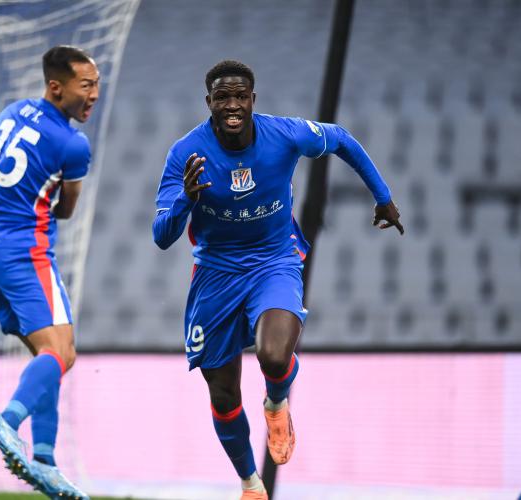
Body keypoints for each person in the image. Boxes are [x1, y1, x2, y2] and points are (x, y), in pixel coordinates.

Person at [152, 60, 404, 500]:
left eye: (240, 96)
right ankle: (251, 485)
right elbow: (161, 236)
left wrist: (383, 197)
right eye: (222, 97)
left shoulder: (285, 134)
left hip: (274, 261)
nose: (232, 105)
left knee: (273, 355)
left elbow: (340, 139)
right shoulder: (185, 153)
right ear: (209, 102)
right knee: (224, 394)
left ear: (253, 99)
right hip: (215, 274)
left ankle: (276, 402)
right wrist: (185, 201)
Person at [0, 45, 99, 500]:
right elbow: (65, 209)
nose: (94, 94)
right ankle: (8, 421)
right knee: (61, 353)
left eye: (96, 84)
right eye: (86, 86)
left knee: (51, 357)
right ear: (56, 87)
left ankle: (45, 460)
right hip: (26, 253)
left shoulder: (10, 114)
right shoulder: (73, 144)